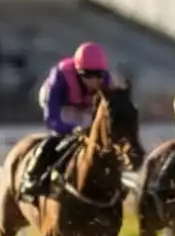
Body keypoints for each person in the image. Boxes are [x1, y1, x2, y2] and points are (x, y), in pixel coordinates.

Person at [21, 42, 112, 199]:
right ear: (77, 72)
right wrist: (70, 129)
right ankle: (32, 177)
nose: (94, 81)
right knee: (57, 138)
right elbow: (52, 118)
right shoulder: (61, 77)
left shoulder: (106, 81)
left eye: (98, 75)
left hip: (85, 107)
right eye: (88, 75)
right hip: (62, 105)